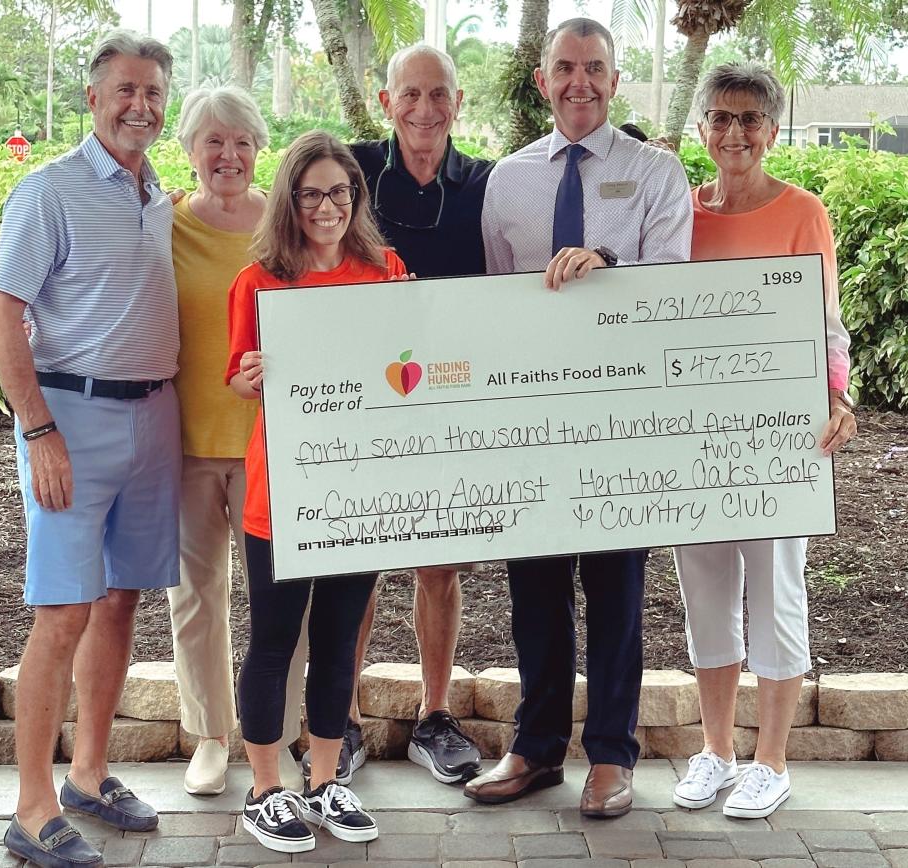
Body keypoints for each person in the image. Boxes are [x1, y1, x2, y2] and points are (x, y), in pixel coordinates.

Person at [466, 17, 693, 817]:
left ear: (616, 79)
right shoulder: (509, 180)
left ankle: (611, 756)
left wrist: (609, 266)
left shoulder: (656, 173)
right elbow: (497, 298)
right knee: (533, 589)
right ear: (542, 79)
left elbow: (673, 285)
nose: (580, 83)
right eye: (566, 67)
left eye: (595, 68)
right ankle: (535, 748)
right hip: (532, 421)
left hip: (622, 419)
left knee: (616, 587)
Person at [0, 30, 178, 868]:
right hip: (70, 418)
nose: (141, 105)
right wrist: (38, 431)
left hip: (154, 418)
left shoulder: (157, 192)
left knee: (121, 600)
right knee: (62, 612)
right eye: (125, 90)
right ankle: (30, 809)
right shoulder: (48, 191)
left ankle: (89, 775)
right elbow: (1, 311)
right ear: (93, 99)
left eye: (154, 92)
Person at [299, 43, 492, 787]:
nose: (424, 108)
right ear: (385, 102)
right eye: (409, 94)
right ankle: (338, 722)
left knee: (438, 565)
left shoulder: (484, 183)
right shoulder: (348, 173)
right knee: (356, 568)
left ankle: (434, 715)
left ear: (458, 102)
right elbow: (292, 248)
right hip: (359, 405)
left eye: (438, 94)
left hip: (447, 399)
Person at [670, 62, 857, 820]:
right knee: (706, 595)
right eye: (720, 117)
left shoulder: (802, 211)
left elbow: (825, 323)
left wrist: (838, 393)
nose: (734, 132)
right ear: (703, 129)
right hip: (694, 438)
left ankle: (771, 761)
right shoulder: (682, 213)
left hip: (781, 443)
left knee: (777, 594)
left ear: (772, 130)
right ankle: (717, 751)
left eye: (749, 118)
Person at [226, 131, 407, 854]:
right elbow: (237, 377)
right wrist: (251, 378)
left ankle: (325, 781)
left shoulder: (386, 271)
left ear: (355, 197)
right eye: (310, 194)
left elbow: (412, 360)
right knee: (273, 642)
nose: (326, 206)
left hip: (361, 491)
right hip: (283, 493)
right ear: (289, 201)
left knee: (338, 642)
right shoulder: (261, 281)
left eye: (340, 192)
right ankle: (266, 790)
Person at [168, 85, 307, 797]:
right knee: (197, 596)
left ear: (260, 149)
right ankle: (212, 738)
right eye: (212, 141)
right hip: (189, 441)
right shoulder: (163, 223)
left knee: (282, 600)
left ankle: (274, 737)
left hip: (275, 447)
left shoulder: (283, 228)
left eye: (242, 141)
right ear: (189, 149)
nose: (228, 154)